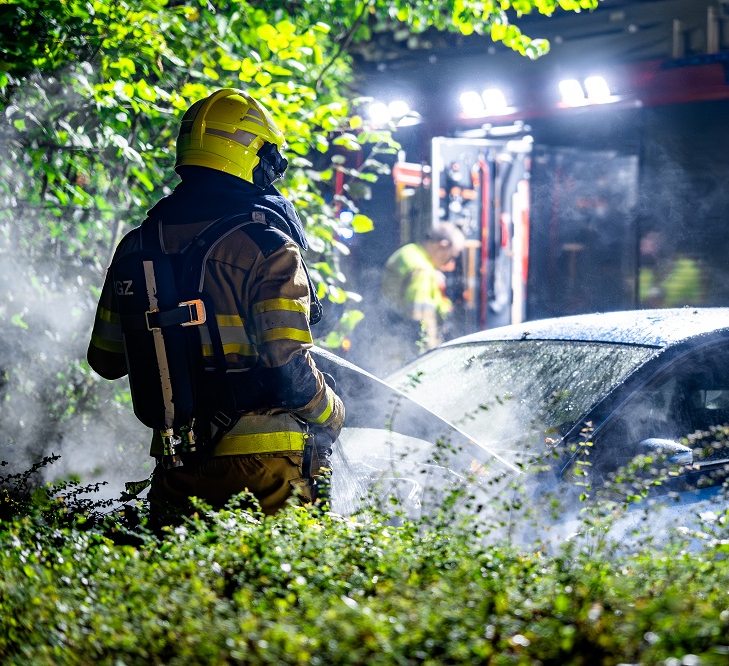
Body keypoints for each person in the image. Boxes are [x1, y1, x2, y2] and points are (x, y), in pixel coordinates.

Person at [87, 88, 344, 529]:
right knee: (274, 574)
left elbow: (106, 360)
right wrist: (332, 412)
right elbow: (289, 371)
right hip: (265, 473)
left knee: (184, 573)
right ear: (252, 158)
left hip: (178, 469)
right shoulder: (269, 247)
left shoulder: (137, 245)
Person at [378, 223, 465, 370]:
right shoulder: (422, 270)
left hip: (387, 340)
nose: (451, 263)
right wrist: (431, 359)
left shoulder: (410, 252)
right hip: (403, 352)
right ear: (442, 246)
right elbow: (421, 321)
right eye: (452, 256)